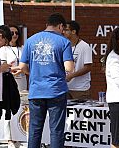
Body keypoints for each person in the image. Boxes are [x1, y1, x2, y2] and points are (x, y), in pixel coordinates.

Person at [12, 13, 74, 148]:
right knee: (56, 131)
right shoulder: (64, 42)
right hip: (56, 90)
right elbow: (69, 67)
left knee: (34, 130)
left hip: (36, 90)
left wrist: (34, 72)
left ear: (47, 25)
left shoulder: (30, 40)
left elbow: (22, 67)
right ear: (60, 26)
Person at [0, 25, 27, 148]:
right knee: (9, 109)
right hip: (9, 82)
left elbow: (27, 66)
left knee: (21, 109)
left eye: (16, 32)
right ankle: (9, 138)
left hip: (22, 82)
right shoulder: (4, 49)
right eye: (12, 32)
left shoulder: (23, 48)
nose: (14, 35)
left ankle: (19, 136)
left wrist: (21, 70)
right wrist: (18, 68)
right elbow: (4, 66)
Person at [63, 21, 93, 100]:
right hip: (65, 88)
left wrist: (72, 75)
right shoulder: (64, 46)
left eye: (66, 30)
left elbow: (88, 67)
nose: (63, 32)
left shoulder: (84, 46)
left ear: (73, 31)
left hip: (80, 89)